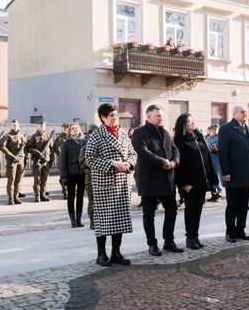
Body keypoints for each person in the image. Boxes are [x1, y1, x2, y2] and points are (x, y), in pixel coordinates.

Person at [85, 103, 136, 267]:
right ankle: (101, 254)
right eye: (111, 115)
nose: (115, 118)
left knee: (119, 219)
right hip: (105, 183)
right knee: (103, 220)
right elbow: (89, 158)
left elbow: (132, 153)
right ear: (103, 117)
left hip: (122, 182)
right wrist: (112, 163)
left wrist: (129, 163)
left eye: (116, 115)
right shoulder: (97, 135)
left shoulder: (122, 133)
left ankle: (116, 253)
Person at [132, 104, 183, 256]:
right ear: (149, 117)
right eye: (158, 115)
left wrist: (174, 162)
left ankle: (169, 241)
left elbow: (175, 150)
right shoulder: (140, 132)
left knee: (172, 210)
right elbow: (142, 151)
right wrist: (162, 162)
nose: (161, 118)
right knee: (149, 214)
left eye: (162, 115)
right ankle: (152, 244)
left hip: (167, 180)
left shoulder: (165, 132)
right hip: (150, 180)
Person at [174, 114, 218, 249]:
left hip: (202, 181)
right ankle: (190, 237)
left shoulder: (199, 137)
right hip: (189, 183)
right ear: (183, 125)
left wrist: (213, 178)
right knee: (190, 210)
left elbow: (208, 159)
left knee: (198, 209)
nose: (193, 123)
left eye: (193, 120)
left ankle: (195, 235)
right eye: (189, 121)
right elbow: (179, 164)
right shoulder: (179, 141)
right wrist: (183, 183)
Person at [218, 106, 249, 242]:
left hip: (247, 174)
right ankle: (230, 232)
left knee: (244, 206)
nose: (245, 114)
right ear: (234, 114)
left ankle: (241, 230)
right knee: (232, 205)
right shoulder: (226, 129)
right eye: (242, 112)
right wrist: (226, 172)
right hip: (233, 174)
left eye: (246, 112)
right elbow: (223, 152)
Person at [60, 122, 87, 228]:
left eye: (77, 128)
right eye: (73, 128)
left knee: (80, 197)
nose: (75, 130)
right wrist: (63, 176)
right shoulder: (66, 144)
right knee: (71, 197)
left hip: (82, 173)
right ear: (69, 131)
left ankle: (79, 220)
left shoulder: (85, 141)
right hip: (71, 174)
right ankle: (73, 221)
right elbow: (63, 161)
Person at [0, 119, 27, 205]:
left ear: (18, 126)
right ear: (10, 126)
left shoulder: (21, 136)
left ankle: (16, 197)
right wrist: (11, 155)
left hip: (20, 161)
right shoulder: (7, 136)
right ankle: (11, 198)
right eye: (13, 125)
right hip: (11, 161)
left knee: (18, 180)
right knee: (11, 180)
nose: (15, 126)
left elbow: (25, 149)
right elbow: (2, 147)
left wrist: (24, 159)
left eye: (16, 125)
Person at [25, 121, 53, 202]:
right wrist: (36, 152)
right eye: (40, 126)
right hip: (37, 161)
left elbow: (51, 149)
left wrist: (51, 160)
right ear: (37, 127)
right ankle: (37, 195)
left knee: (44, 179)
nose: (42, 127)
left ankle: (42, 195)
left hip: (46, 161)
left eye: (43, 126)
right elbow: (28, 148)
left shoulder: (48, 136)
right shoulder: (34, 137)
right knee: (37, 179)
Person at [80, 124, 98, 230]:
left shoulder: (102, 145)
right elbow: (82, 162)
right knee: (92, 200)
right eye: (93, 133)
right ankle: (93, 220)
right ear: (90, 134)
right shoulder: (86, 147)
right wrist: (96, 163)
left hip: (101, 177)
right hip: (90, 178)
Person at [205, 124, 222, 202]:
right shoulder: (208, 138)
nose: (214, 131)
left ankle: (218, 194)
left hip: (217, 160)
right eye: (213, 129)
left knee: (217, 177)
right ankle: (213, 194)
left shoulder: (221, 138)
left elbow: (223, 149)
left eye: (215, 129)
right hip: (210, 160)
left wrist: (216, 150)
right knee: (211, 177)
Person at [54, 124, 69, 200]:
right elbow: (55, 148)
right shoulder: (60, 138)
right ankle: (65, 192)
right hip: (62, 160)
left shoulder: (70, 137)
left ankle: (70, 191)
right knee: (63, 177)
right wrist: (61, 156)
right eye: (65, 128)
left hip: (70, 160)